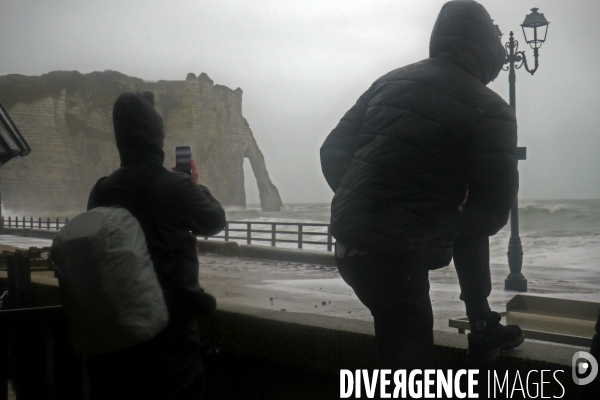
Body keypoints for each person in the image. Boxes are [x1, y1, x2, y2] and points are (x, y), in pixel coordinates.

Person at [320, 0, 523, 369]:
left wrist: (368, 203)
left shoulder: (389, 81)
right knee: (408, 373)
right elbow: (492, 211)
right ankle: (480, 324)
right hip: (394, 260)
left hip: (349, 246)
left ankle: (481, 325)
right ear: (487, 52)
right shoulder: (491, 109)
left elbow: (331, 151)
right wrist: (431, 220)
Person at [86, 92, 226, 399]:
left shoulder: (100, 191)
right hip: (169, 342)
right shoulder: (174, 186)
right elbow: (215, 220)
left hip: (116, 340)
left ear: (120, 138)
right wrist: (194, 183)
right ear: (157, 136)